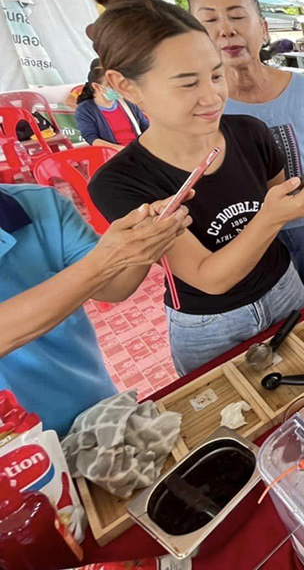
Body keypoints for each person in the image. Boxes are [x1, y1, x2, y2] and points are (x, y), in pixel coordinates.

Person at [86, 0, 304, 376]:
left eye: (216, 75)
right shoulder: (121, 181)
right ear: (124, 85)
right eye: (187, 84)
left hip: (285, 289)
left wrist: (290, 205)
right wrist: (272, 216)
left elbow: (278, 199)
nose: (212, 96)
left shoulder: (250, 132)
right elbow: (207, 277)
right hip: (210, 324)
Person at [187, 0, 304, 312]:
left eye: (237, 16)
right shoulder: (203, 109)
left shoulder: (301, 89)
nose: (226, 30)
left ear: (263, 28)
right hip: (250, 241)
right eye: (210, 20)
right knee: (280, 324)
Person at [0, 184, 190, 436]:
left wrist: (148, 240)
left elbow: (113, 287)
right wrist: (105, 261)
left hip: (92, 411)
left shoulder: (40, 204)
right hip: (14, 444)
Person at [75, 60, 150, 150]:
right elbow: (91, 138)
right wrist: (120, 150)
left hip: (138, 150)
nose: (117, 88)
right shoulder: (85, 109)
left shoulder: (128, 103)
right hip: (113, 153)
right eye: (110, 84)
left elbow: (146, 127)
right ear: (97, 86)